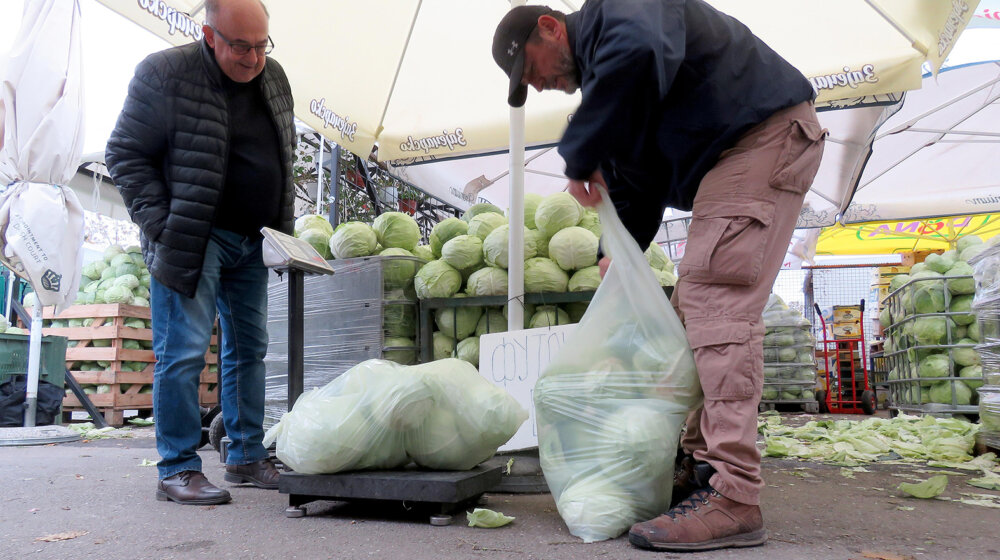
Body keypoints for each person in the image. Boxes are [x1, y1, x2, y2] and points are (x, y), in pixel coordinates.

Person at [493, 1, 825, 552]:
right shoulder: (617, 83)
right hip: (734, 153)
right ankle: (699, 470)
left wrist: (579, 150)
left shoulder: (621, 14)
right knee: (690, 314)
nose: (544, 86)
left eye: (534, 71)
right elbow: (640, 181)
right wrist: (612, 252)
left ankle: (734, 495)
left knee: (716, 306)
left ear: (550, 28)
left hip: (760, 137)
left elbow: (642, 51)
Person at [106, 0, 296, 505]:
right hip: (192, 237)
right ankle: (177, 468)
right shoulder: (164, 74)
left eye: (261, 45)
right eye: (240, 46)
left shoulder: (273, 77)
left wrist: (282, 228)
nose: (253, 58)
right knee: (184, 353)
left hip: (254, 239)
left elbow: (284, 151)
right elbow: (124, 153)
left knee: (249, 351)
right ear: (209, 34)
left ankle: (247, 455)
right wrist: (162, 225)